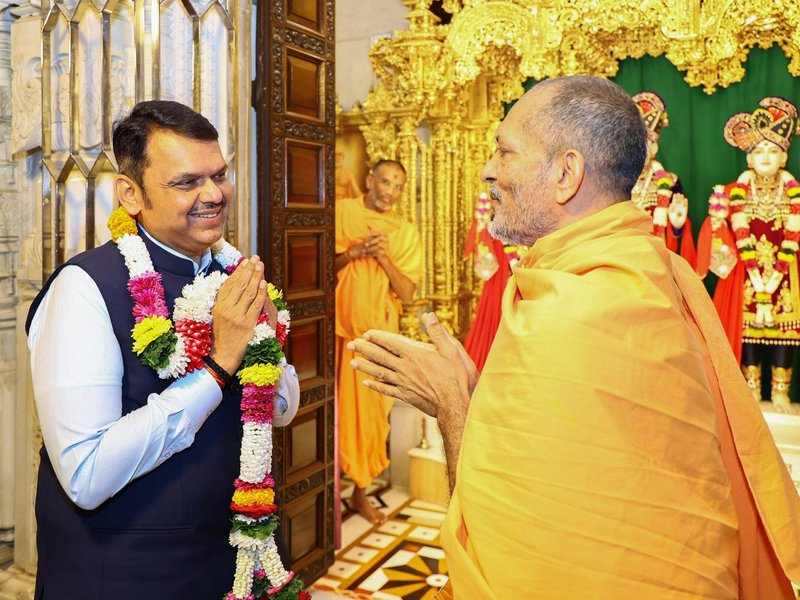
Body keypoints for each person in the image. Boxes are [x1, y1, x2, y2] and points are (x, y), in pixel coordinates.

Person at [348, 76, 800, 599]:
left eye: (504, 150)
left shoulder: (574, 311)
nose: (488, 170)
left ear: (566, 174)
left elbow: (510, 551)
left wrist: (451, 403)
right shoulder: (652, 270)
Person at [26, 100, 300, 599]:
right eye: (187, 182)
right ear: (131, 193)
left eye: (219, 174)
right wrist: (218, 368)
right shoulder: (86, 288)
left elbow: (280, 409)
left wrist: (262, 350)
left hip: (231, 557)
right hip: (129, 570)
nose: (214, 194)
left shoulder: (233, 274)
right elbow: (86, 474)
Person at [697, 97, 800, 411]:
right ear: (748, 159)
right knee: (748, 332)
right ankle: (751, 389)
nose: (765, 158)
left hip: (786, 275)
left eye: (772, 151)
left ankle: (781, 392)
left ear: (784, 157)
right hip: (746, 273)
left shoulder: (795, 193)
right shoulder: (731, 193)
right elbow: (717, 240)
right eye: (758, 151)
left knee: (786, 332)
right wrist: (716, 225)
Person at [335, 159, 422, 524]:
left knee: (372, 421)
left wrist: (383, 258)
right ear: (370, 179)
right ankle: (328, 490)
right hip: (336, 335)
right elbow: (314, 263)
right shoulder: (343, 212)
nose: (390, 191)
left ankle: (359, 493)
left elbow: (408, 292)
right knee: (334, 416)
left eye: (398, 186)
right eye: (385, 181)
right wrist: (354, 253)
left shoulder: (404, 233)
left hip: (376, 341)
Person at [631, 91, 696, 267]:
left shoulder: (671, 182)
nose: (643, 149)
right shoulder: (613, 179)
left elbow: (679, 235)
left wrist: (677, 225)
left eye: (649, 143)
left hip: (659, 260)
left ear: (655, 147)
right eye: (636, 143)